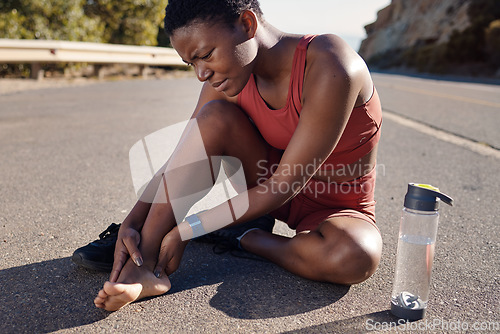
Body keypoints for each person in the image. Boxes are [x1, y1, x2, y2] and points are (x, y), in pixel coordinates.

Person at [79, 0, 383, 311]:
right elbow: (184, 155)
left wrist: (191, 227)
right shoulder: (228, 75)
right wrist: (134, 219)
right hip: (262, 183)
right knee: (211, 119)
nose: (201, 74)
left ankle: (244, 236)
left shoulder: (331, 65)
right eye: (191, 63)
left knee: (355, 256)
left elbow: (283, 186)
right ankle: (145, 260)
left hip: (335, 206)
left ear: (247, 24)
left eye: (206, 55)